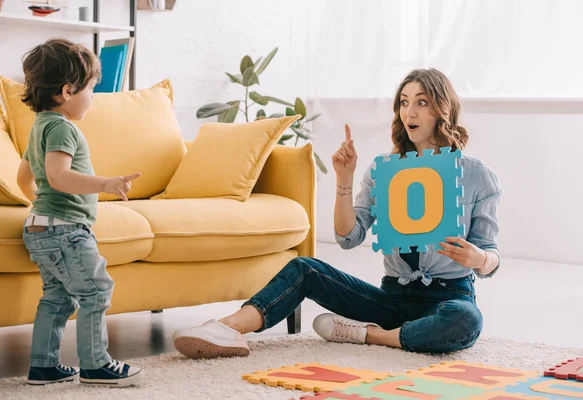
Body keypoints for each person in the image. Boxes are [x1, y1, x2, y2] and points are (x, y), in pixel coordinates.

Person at [171, 68, 503, 358]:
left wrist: (478, 260)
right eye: (403, 102)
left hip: (447, 298)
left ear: (442, 108)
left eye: (421, 101)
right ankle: (226, 328)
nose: (409, 112)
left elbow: (490, 254)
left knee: (467, 321)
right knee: (305, 268)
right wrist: (344, 179)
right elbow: (348, 237)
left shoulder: (476, 174)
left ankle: (369, 335)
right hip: (392, 298)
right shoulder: (383, 171)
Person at [16, 38, 143, 387]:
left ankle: (43, 366)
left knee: (57, 297)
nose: (93, 97)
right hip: (66, 231)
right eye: (91, 89)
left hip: (43, 228)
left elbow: (23, 178)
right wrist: (104, 184)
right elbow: (58, 176)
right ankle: (96, 364)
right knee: (97, 290)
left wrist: (38, 211)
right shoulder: (62, 127)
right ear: (68, 91)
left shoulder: (39, 126)